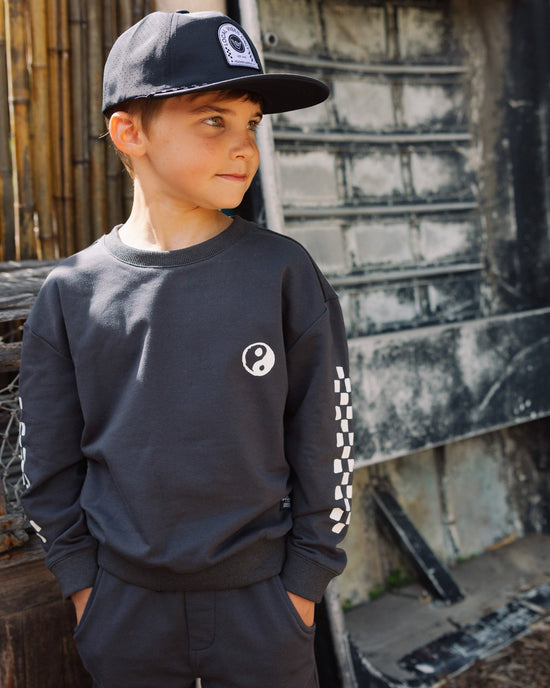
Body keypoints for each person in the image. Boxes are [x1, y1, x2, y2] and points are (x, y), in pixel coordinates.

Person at [19, 10, 354, 688]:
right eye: (214, 120)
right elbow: (45, 462)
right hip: (123, 613)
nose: (244, 147)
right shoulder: (72, 292)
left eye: (251, 124)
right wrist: (83, 587)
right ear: (130, 132)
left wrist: (304, 583)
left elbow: (328, 435)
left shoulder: (283, 273)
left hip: (265, 609)